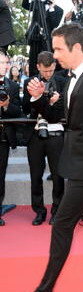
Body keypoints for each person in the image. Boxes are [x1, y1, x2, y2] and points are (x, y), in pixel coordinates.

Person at [5, 23, 83, 292]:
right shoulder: (72, 78)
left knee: (62, 224)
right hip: (76, 162)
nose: (54, 56)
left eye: (58, 50)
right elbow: (62, 118)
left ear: (77, 48)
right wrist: (40, 98)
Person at [22, 51, 66, 225]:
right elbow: (25, 108)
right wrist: (35, 96)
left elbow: (66, 108)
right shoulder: (29, 82)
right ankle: (39, 211)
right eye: (45, 70)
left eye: (51, 70)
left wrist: (57, 101)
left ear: (55, 66)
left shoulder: (63, 82)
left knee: (58, 175)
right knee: (35, 175)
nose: (48, 74)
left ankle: (57, 211)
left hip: (56, 134)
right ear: (38, 67)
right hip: (35, 135)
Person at [22, 0, 63, 75]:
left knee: (45, 61)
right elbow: (25, 5)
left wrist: (51, 9)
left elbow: (54, 25)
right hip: (34, 37)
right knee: (33, 61)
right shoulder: (38, 2)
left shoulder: (59, 10)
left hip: (46, 40)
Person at [0, 51, 21, 226]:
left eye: (7, 62)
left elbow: (18, 112)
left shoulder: (12, 86)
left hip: (4, 138)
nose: (7, 66)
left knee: (0, 175)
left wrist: (6, 106)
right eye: (3, 62)